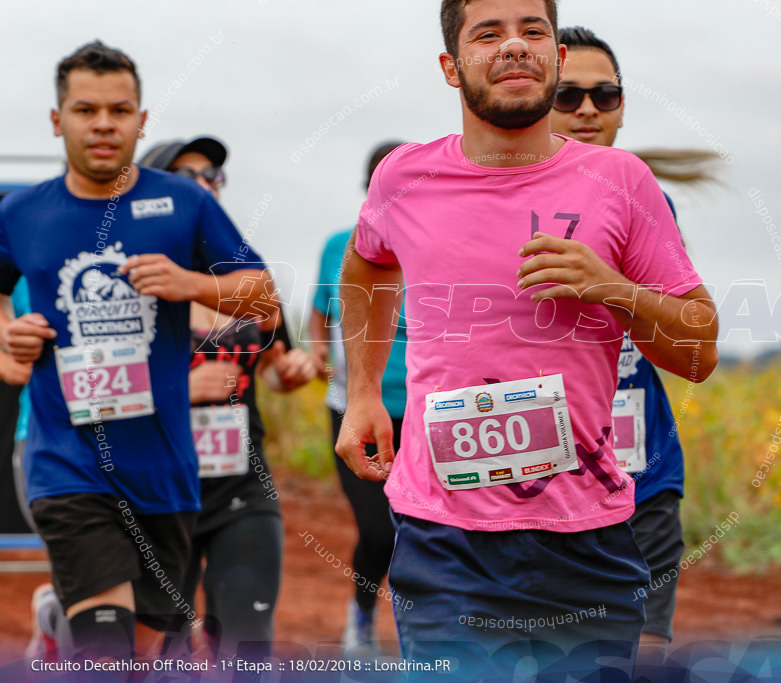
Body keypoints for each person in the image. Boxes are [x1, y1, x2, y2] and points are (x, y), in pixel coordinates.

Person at [335, 1, 718, 679]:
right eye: (489, 33)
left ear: (556, 57)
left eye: (532, 30)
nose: (514, 46)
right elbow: (368, 260)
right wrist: (364, 389)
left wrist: (613, 288)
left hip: (586, 536)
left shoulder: (622, 183)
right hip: (444, 537)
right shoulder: (404, 176)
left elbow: (699, 352)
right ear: (453, 67)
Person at [0, 41, 277, 663]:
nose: (103, 123)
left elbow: (263, 302)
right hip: (67, 464)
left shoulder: (185, 203)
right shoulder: (20, 214)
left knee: (151, 657)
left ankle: (55, 618)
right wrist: (6, 335)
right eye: (86, 109)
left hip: (165, 471)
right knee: (108, 651)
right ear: (57, 119)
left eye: (120, 110)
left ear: (140, 120)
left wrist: (193, 284)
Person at [138, 136, 316, 663]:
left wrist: (293, 371)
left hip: (242, 488)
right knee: (160, 654)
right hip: (158, 493)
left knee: (246, 642)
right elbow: (91, 393)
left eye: (211, 174)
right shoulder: (131, 286)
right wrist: (178, 390)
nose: (203, 183)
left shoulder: (250, 286)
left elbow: (276, 370)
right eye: (184, 175)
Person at [548, 26, 688, 657]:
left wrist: (614, 289)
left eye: (604, 95)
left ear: (622, 106)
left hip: (643, 474)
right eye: (568, 95)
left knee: (645, 657)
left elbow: (690, 340)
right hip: (535, 495)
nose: (586, 110)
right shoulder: (484, 199)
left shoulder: (646, 200)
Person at [308, 141, 407, 657]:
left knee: (430, 531)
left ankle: (431, 635)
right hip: (356, 412)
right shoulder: (337, 246)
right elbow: (318, 319)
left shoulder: (438, 243)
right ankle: (362, 615)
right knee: (378, 531)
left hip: (428, 413)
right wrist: (326, 367)